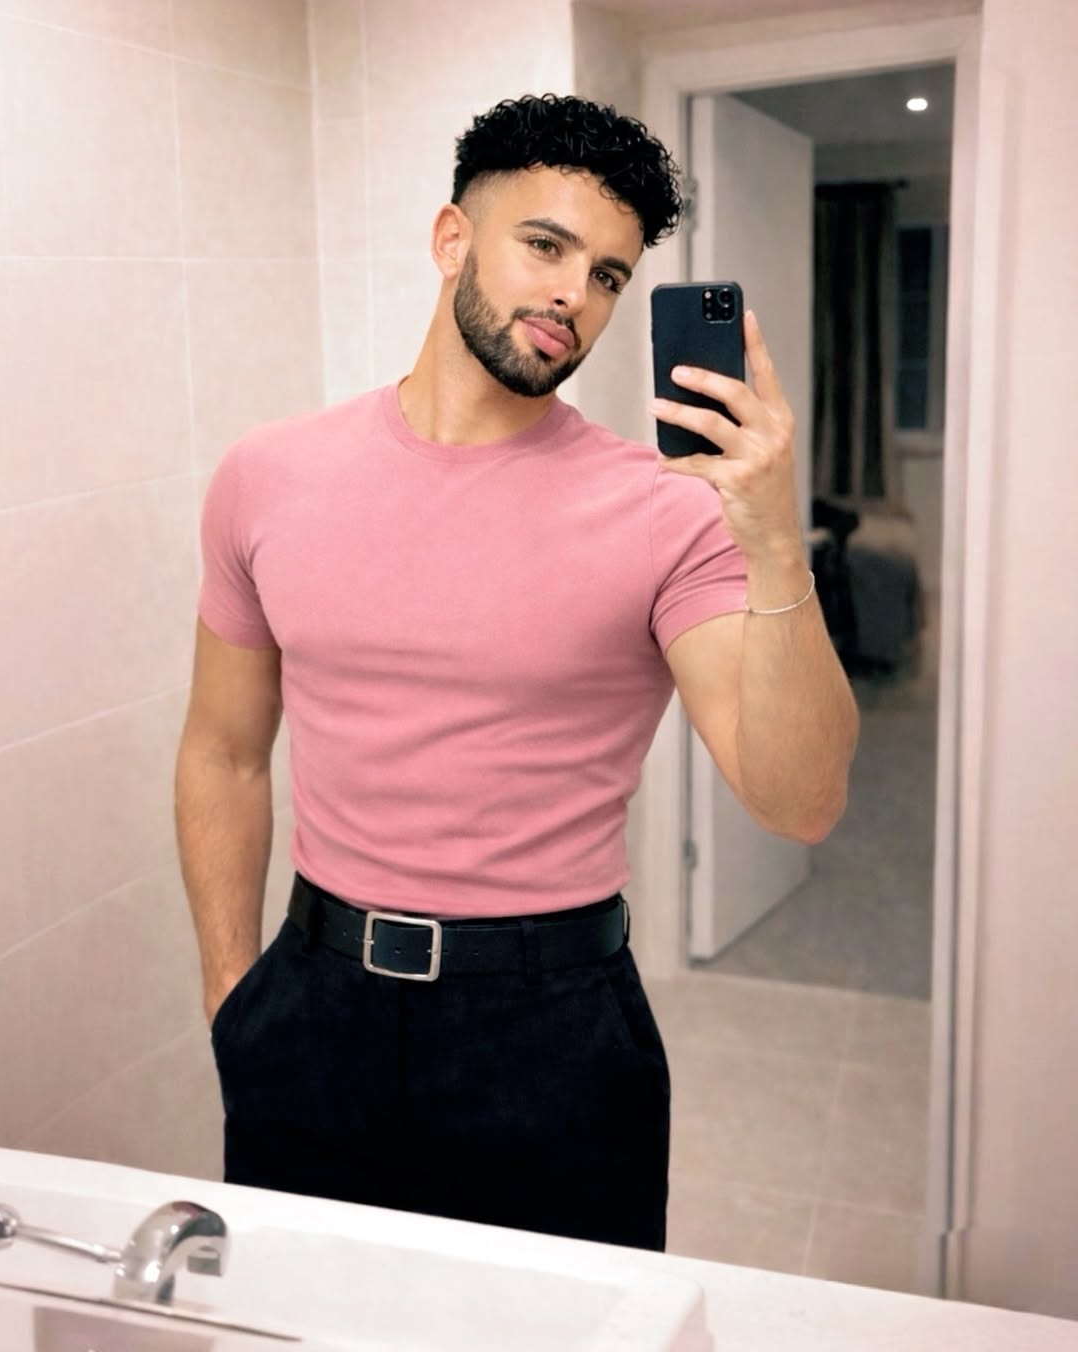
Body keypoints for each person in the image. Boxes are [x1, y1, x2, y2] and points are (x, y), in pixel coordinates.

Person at [176, 93, 858, 1254]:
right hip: (311, 1007)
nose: (572, 295)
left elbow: (800, 799)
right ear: (453, 238)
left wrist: (772, 538)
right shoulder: (266, 474)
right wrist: (234, 998)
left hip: (552, 1034)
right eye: (546, 245)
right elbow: (223, 750)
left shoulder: (665, 511)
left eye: (608, 275)